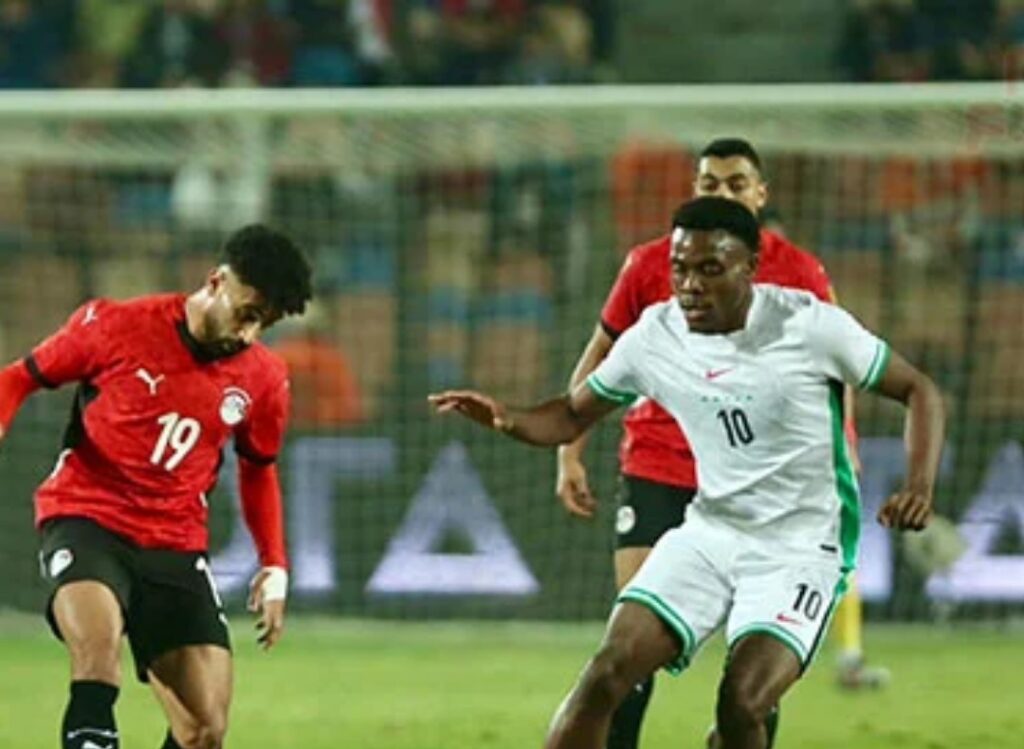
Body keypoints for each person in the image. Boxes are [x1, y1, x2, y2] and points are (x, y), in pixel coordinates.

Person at [430, 196, 945, 749]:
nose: (690, 285)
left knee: (741, 703)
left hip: (800, 547)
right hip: (710, 533)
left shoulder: (809, 325)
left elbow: (919, 389)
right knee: (606, 674)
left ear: (750, 267)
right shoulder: (656, 336)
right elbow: (572, 414)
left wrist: (918, 485)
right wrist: (507, 417)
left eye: (709, 269)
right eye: (679, 268)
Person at [556, 136, 883, 749]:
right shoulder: (649, 264)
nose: (723, 193)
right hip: (659, 463)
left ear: (760, 194)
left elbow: (839, 368)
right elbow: (599, 354)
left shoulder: (800, 271)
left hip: (764, 488)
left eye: (736, 183)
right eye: (710, 183)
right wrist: (567, 450)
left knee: (752, 669)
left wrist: (843, 444)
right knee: (628, 649)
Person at [0, 224, 313, 749]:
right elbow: (17, 378)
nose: (249, 334)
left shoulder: (265, 378)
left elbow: (258, 469)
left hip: (175, 543)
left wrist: (275, 564)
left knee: (204, 729)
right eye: (247, 313)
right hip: (87, 520)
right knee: (98, 658)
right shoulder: (116, 325)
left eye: (266, 323)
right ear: (216, 282)